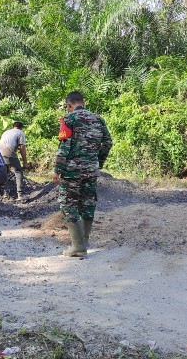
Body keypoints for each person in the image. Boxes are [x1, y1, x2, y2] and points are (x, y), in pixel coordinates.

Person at [53, 91, 112, 258]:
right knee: (87, 203)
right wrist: (97, 162)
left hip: (72, 171)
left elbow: (64, 147)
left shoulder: (68, 119)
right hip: (91, 170)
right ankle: (84, 242)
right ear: (83, 102)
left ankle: (78, 247)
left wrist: (58, 170)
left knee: (68, 204)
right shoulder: (99, 119)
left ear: (69, 105)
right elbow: (108, 142)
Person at [0, 121, 29, 201]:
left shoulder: (6, 132)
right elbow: (22, 148)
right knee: (18, 171)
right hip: (8, 151)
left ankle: (6, 194)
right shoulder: (20, 133)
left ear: (13, 126)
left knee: (6, 172)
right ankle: (20, 194)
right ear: (21, 127)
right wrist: (25, 162)